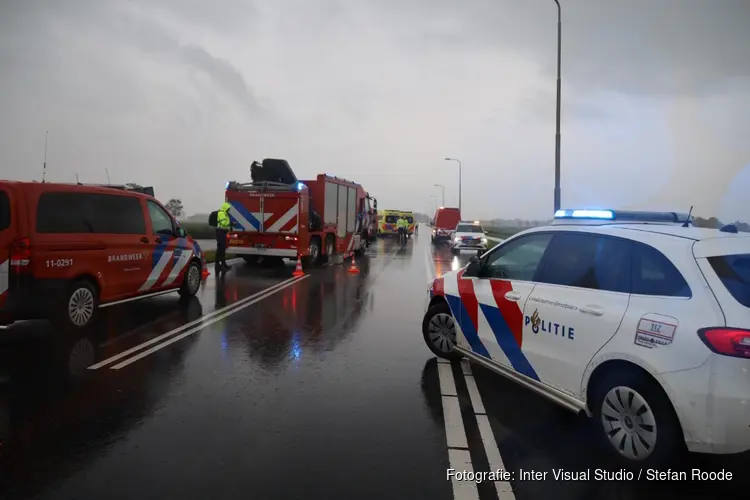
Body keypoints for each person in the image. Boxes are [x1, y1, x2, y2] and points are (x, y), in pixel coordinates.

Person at [215, 201, 232, 273]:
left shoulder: (224, 213)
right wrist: (229, 223)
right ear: (225, 208)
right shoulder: (222, 213)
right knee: (221, 249)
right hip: (220, 232)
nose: (229, 210)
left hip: (222, 232)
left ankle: (222, 264)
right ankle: (219, 265)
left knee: (222, 249)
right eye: (228, 209)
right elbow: (223, 223)